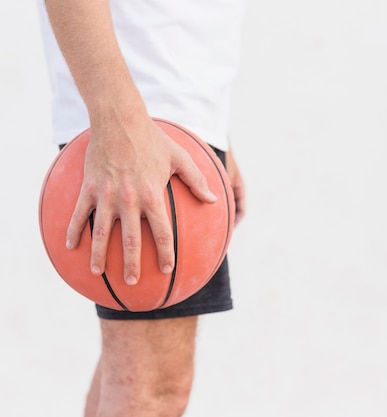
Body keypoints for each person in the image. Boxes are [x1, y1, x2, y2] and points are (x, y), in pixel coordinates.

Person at [36, 0, 246, 416]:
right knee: (152, 389)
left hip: (170, 119)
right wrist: (116, 119)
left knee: (134, 376)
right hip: (139, 118)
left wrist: (214, 131)